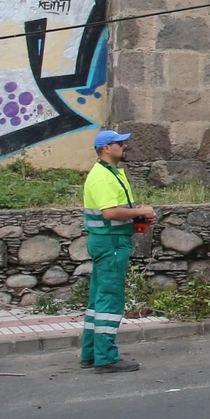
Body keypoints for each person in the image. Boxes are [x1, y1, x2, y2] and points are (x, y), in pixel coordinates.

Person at [80, 130, 155, 373]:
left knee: (97, 299)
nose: (124, 146)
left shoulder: (110, 173)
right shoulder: (103, 177)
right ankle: (106, 358)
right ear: (106, 148)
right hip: (111, 243)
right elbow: (110, 212)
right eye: (119, 143)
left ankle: (90, 353)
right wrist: (141, 210)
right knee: (109, 299)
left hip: (107, 240)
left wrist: (136, 216)